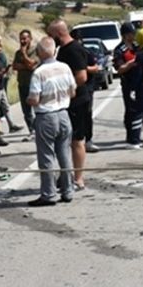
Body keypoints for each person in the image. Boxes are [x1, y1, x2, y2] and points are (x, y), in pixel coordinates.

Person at [27, 37, 76, 206]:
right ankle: (68, 189)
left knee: (47, 156)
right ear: (54, 50)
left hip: (46, 115)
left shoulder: (39, 73)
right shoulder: (65, 68)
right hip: (63, 113)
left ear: (40, 53)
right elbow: (73, 91)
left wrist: (29, 100)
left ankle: (49, 193)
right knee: (64, 154)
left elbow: (34, 98)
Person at [47, 19, 92, 188]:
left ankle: (78, 178)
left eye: (51, 35)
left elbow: (81, 77)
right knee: (64, 140)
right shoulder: (62, 50)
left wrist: (62, 89)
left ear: (59, 33)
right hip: (66, 102)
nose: (50, 38)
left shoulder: (74, 50)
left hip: (77, 101)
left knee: (77, 140)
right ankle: (66, 174)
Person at [113, 23, 139, 147]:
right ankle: (131, 134)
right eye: (131, 34)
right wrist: (131, 64)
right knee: (131, 110)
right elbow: (119, 69)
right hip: (128, 83)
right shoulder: (119, 50)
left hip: (140, 82)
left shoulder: (137, 46)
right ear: (125, 35)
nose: (133, 36)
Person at [11, 29, 39, 139]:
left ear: (30, 39)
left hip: (34, 84)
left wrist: (24, 56)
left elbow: (32, 65)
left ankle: (40, 129)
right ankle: (32, 130)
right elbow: (14, 66)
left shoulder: (36, 51)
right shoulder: (18, 53)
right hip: (22, 84)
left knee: (37, 108)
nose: (23, 40)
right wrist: (25, 66)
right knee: (26, 110)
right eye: (21, 38)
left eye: (25, 38)